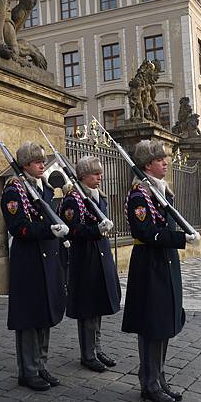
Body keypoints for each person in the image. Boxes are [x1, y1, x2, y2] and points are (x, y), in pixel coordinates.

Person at [122, 139, 200, 402]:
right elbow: (145, 232)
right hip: (150, 263)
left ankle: (159, 377)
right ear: (147, 165)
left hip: (165, 261)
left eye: (165, 158)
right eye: (159, 159)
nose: (165, 162)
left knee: (164, 321)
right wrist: (180, 238)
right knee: (152, 325)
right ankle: (149, 382)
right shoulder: (139, 195)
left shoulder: (161, 192)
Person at [0, 142, 69, 391]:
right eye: (38, 161)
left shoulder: (45, 189)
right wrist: (48, 230)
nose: (43, 165)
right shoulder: (14, 191)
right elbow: (18, 227)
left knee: (45, 314)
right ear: (25, 164)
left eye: (43, 161)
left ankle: (41, 365)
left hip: (48, 260)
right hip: (28, 261)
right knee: (29, 318)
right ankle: (28, 371)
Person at [59, 156, 122, 372]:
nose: (100, 177)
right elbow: (73, 230)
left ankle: (97, 347)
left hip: (101, 256)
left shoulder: (97, 196)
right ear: (83, 176)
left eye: (100, 173)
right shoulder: (72, 200)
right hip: (85, 258)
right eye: (96, 174)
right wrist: (97, 230)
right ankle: (87, 353)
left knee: (98, 305)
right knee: (88, 308)